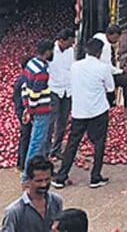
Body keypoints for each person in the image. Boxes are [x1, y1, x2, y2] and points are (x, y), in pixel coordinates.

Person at [52, 38, 114, 189]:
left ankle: (61, 177)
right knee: (99, 143)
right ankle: (95, 177)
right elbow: (110, 88)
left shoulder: (75, 67)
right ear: (99, 52)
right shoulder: (103, 68)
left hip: (79, 111)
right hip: (98, 111)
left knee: (72, 144)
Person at [21, 40, 55, 182]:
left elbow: (25, 87)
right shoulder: (41, 71)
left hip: (34, 109)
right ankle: (27, 176)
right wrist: (31, 109)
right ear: (47, 51)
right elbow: (35, 93)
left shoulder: (31, 64)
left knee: (39, 143)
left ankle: (40, 171)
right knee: (36, 143)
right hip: (41, 110)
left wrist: (26, 107)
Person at [2, 155, 63, 232]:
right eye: (39, 181)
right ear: (28, 180)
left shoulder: (56, 201)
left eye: (47, 179)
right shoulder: (14, 211)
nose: (44, 184)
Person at [93, 25, 127, 117]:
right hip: (101, 76)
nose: (116, 40)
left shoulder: (98, 36)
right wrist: (121, 71)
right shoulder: (106, 47)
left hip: (98, 73)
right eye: (115, 38)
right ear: (109, 35)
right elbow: (107, 67)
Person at [47, 29, 75, 160]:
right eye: (70, 42)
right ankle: (46, 150)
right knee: (50, 122)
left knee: (62, 122)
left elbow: (72, 68)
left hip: (67, 91)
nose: (71, 45)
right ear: (62, 41)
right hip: (53, 90)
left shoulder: (70, 51)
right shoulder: (51, 51)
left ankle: (56, 148)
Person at [13, 55, 33, 172]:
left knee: (25, 136)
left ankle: (20, 162)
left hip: (21, 110)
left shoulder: (20, 80)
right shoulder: (26, 80)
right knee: (26, 136)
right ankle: (23, 163)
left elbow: (14, 98)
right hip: (26, 112)